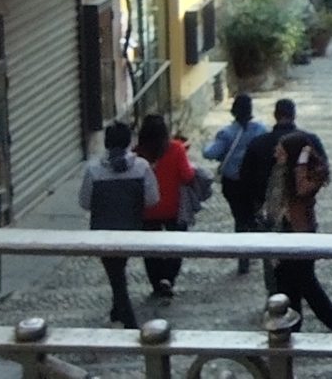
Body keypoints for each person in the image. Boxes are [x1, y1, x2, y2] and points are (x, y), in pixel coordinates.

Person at [239, 99, 327, 293]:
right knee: (304, 263)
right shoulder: (309, 141)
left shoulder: (258, 143)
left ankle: (277, 296)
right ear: (294, 114)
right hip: (301, 215)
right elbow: (322, 169)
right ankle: (302, 300)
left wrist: (249, 212)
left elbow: (244, 179)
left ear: (275, 115)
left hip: (268, 213)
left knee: (272, 262)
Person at [78, 120, 157, 329]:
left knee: (115, 270)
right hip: (132, 228)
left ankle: (125, 314)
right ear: (129, 142)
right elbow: (152, 199)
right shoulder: (141, 167)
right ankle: (121, 312)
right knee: (118, 269)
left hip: (102, 231)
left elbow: (85, 203)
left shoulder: (94, 170)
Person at [268, 131, 332, 331]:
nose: (277, 153)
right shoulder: (284, 171)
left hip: (301, 231)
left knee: (305, 280)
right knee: (286, 279)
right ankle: (293, 320)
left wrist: (302, 159)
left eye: (282, 150)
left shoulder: (312, 173)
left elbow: (302, 189)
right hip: (285, 230)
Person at [204, 94, 269, 274]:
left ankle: (244, 257)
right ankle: (260, 242)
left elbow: (209, 153)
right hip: (255, 182)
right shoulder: (261, 130)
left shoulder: (227, 133)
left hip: (233, 183)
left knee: (240, 219)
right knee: (254, 214)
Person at [133, 113, 195, 299]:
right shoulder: (176, 149)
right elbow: (187, 176)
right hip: (172, 208)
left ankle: (156, 281)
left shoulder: (137, 154)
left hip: (148, 209)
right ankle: (168, 277)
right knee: (177, 245)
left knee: (150, 249)